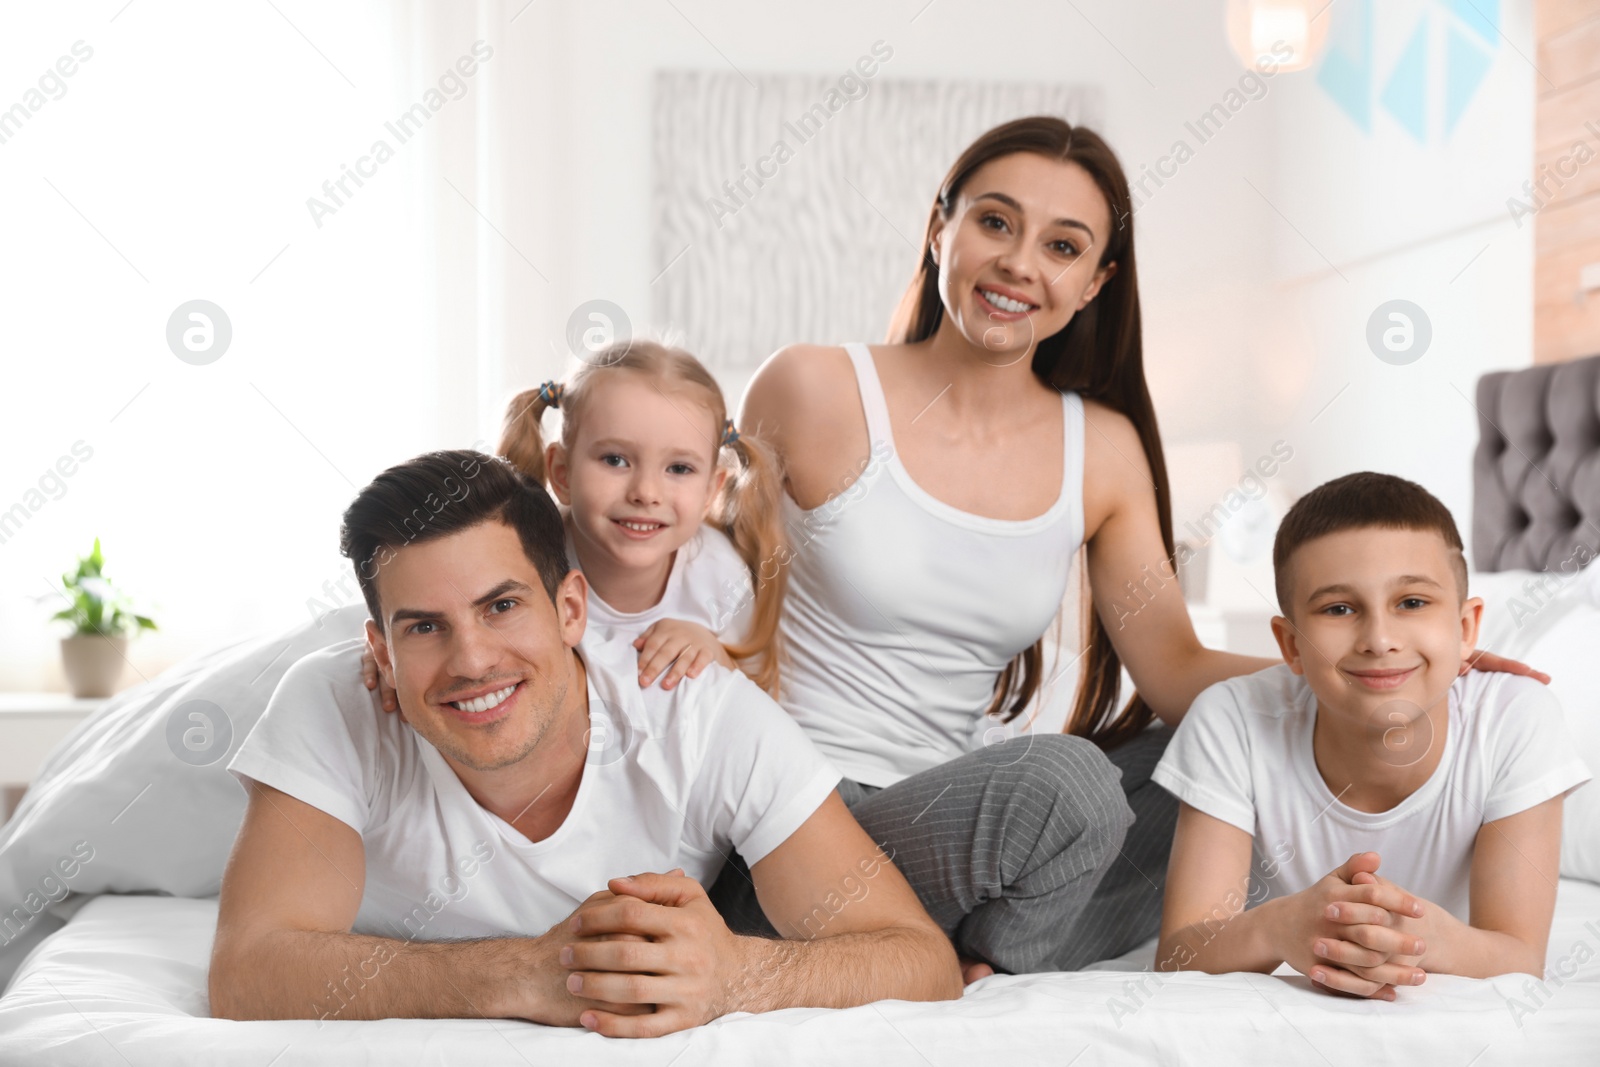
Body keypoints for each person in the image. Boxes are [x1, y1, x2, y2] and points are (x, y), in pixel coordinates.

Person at [720, 116, 1544, 978]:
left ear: (1094, 283)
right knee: (1069, 784)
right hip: (797, 827)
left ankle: (968, 956)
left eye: (1063, 246)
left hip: (959, 827)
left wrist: (1391, 666)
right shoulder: (812, 387)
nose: (1020, 264)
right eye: (995, 222)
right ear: (940, 230)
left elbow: (1177, 670)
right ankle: (972, 953)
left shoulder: (1101, 450)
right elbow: (704, 587)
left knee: (1221, 751)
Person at [209, 449, 960, 1037]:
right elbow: (249, 969)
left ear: (571, 607)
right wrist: (526, 973)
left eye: (501, 605)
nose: (472, 659)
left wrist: (737, 975)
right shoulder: (332, 700)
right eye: (424, 626)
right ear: (380, 648)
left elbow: (919, 957)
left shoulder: (693, 709)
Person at [1153, 472, 1590, 998]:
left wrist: (1422, 939)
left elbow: (1519, 958)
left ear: (1467, 627)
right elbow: (1177, 957)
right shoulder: (1229, 720)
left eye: (1412, 602)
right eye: (1339, 609)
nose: (1379, 640)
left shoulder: (1516, 719)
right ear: (1289, 645)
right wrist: (1278, 927)